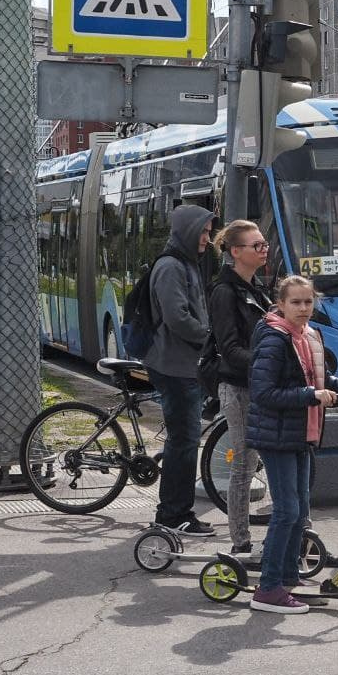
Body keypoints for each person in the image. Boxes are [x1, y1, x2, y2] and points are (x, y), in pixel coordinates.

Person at [246, 276, 338, 614]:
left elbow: (324, 381)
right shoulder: (275, 339)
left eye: (308, 302)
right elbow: (263, 392)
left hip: (302, 433)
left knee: (300, 509)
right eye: (296, 302)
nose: (304, 308)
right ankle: (268, 588)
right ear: (280, 304)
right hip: (276, 435)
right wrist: (310, 395)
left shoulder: (309, 336)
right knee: (287, 511)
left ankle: (289, 575)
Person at [145, 204, 217, 537]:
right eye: (203, 231)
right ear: (189, 231)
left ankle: (176, 512)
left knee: (184, 441)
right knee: (184, 443)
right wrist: (210, 339)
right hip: (174, 366)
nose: (208, 238)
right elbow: (177, 319)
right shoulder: (171, 267)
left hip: (184, 364)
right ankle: (173, 515)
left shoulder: (187, 264)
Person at [208, 220, 272, 562]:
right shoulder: (224, 292)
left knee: (267, 461)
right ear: (236, 252)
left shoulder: (257, 287)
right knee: (244, 468)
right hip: (239, 388)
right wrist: (269, 364)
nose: (264, 249)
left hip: (261, 387)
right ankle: (241, 542)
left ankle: (288, 536)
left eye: (263, 244)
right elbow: (229, 348)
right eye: (256, 245)